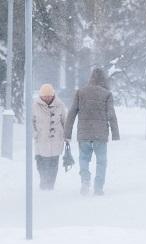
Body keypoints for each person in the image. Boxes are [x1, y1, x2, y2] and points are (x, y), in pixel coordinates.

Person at [65, 68, 120, 196]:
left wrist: (67, 133)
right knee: (101, 161)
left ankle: (85, 180)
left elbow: (72, 113)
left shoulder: (80, 93)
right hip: (100, 135)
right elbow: (111, 114)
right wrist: (115, 134)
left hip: (84, 134)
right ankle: (98, 187)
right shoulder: (107, 94)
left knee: (84, 159)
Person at [33, 84, 66, 190]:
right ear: (40, 96)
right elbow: (31, 122)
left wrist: (66, 136)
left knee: (53, 165)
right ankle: (44, 183)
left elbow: (64, 122)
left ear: (53, 95)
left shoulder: (60, 105)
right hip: (41, 140)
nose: (47, 98)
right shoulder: (35, 106)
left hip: (56, 141)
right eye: (44, 96)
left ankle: (50, 185)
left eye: (49, 96)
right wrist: (35, 134)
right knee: (41, 164)